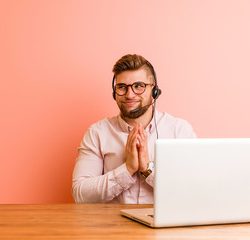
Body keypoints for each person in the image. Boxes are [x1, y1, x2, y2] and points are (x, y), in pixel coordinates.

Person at [72, 54, 196, 204]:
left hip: (163, 227)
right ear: (114, 92)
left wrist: (148, 169)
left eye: (138, 86)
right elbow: (80, 194)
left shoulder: (179, 131)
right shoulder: (97, 133)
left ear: (154, 91)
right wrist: (127, 169)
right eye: (122, 87)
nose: (129, 95)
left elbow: (192, 189)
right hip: (112, 226)